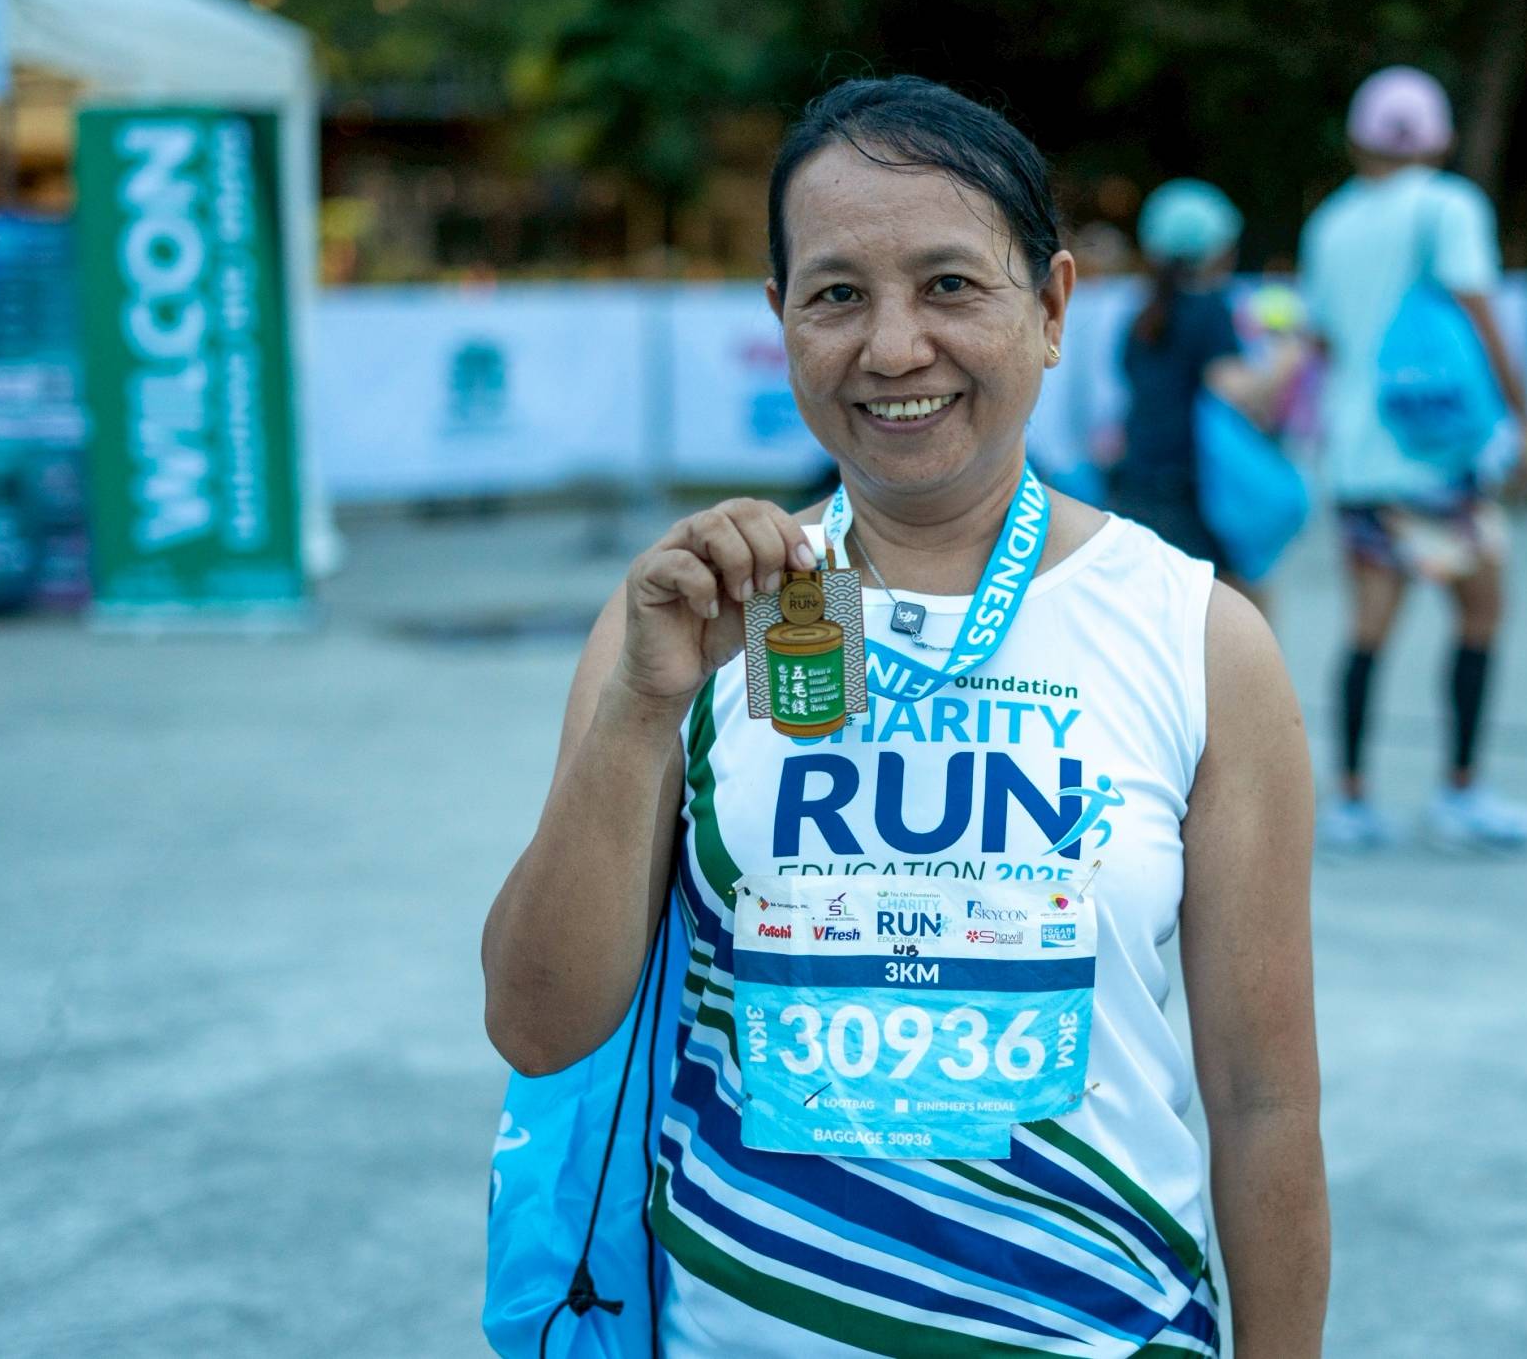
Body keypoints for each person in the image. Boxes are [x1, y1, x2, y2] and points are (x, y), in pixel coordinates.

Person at [482, 76, 1328, 1356]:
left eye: (948, 285)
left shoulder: (1198, 640)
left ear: (1047, 309)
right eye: (835, 295)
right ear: (780, 322)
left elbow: (1262, 1102)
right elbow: (536, 1025)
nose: (890, 349)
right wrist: (643, 709)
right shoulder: (696, 615)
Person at [1298, 65, 1527, 852]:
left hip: (1358, 456)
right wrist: (1524, 418)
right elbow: (1480, 315)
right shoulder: (1450, 206)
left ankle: (1350, 798)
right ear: (1438, 138)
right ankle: (1460, 790)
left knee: (1368, 626)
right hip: (1439, 457)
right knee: (1480, 610)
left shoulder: (1330, 226)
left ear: (1357, 140)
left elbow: (1328, 340)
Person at [1110, 179, 1302, 591]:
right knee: (1242, 610)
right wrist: (1289, 355)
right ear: (1218, 248)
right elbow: (1240, 390)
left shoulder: (1142, 317)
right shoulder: (1207, 307)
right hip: (1191, 492)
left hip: (1137, 485)